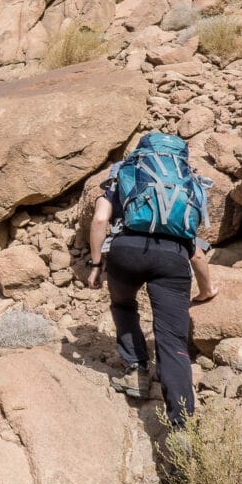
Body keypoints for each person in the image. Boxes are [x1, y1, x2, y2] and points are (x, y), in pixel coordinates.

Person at [82, 132, 218, 428]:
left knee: (123, 305)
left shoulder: (126, 172)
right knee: (171, 340)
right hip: (172, 258)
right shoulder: (185, 183)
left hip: (125, 251)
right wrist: (207, 289)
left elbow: (100, 220)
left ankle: (137, 372)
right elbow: (195, 251)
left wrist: (95, 265)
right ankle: (181, 425)